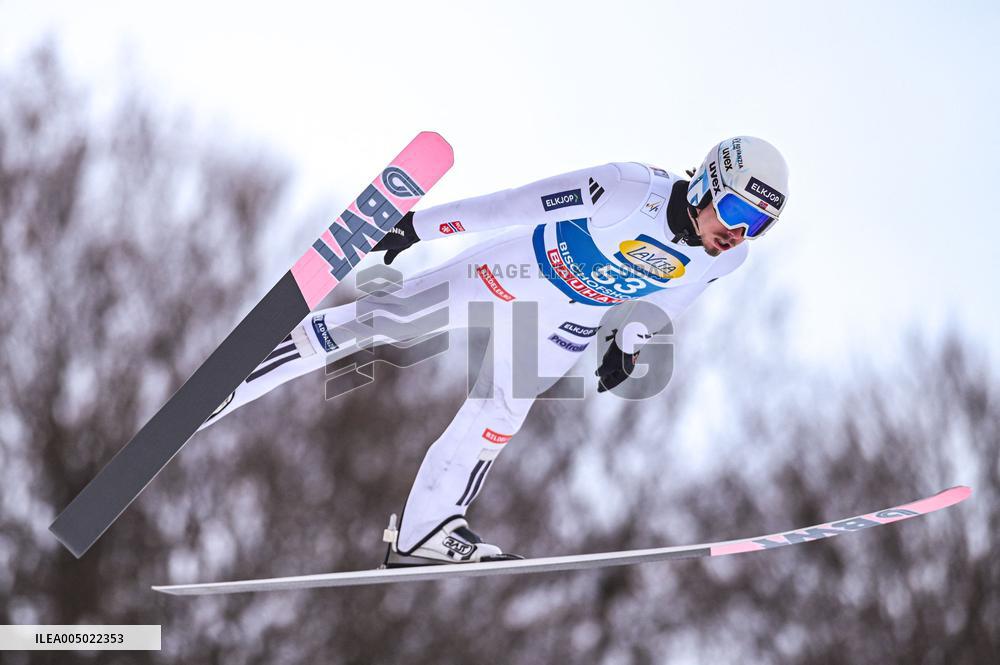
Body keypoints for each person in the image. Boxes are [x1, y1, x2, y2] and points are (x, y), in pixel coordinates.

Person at [200, 136, 790, 565]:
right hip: (513, 270)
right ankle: (233, 381)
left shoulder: (727, 257)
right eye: (738, 212)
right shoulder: (627, 189)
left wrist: (630, 343)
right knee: (389, 322)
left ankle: (426, 531)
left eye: (757, 225)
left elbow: (674, 297)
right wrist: (419, 226)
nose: (739, 233)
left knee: (502, 412)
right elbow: (515, 204)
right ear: (710, 183)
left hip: (569, 318)